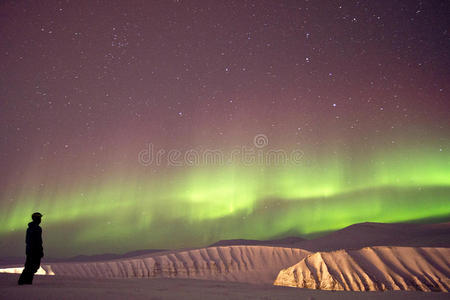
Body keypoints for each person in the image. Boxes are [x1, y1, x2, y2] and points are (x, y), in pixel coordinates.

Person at [18, 212, 44, 285]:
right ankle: (25, 282)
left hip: (32, 251)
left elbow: (35, 241)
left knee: (31, 267)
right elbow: (34, 241)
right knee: (31, 267)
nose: (40, 220)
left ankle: (25, 282)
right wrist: (38, 250)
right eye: (39, 218)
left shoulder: (34, 228)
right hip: (33, 251)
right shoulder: (35, 229)